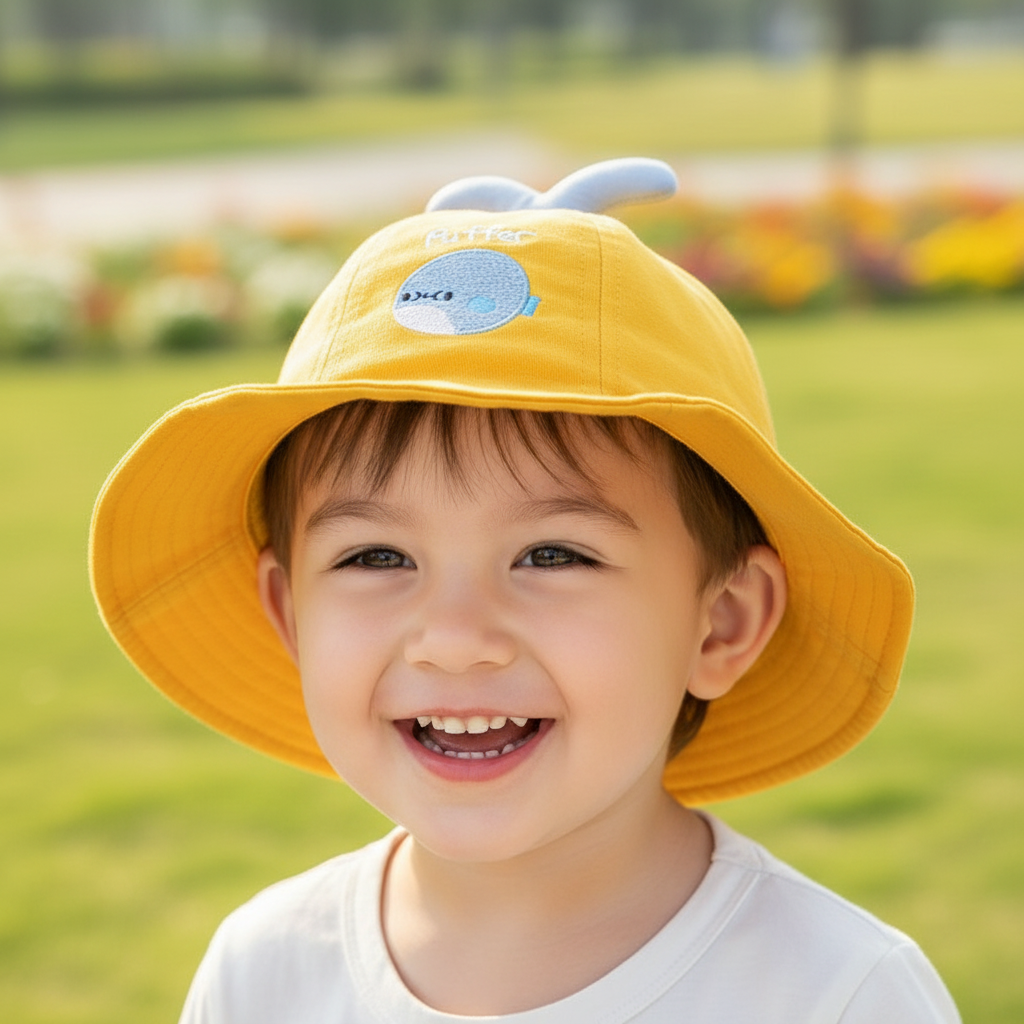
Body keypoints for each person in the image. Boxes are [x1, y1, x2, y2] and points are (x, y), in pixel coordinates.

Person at [90, 158, 961, 1023]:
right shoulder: (264, 975)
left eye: (551, 556)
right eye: (376, 558)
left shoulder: (836, 993)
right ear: (289, 613)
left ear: (721, 622)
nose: (456, 636)